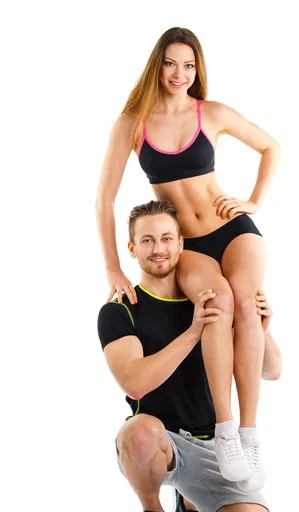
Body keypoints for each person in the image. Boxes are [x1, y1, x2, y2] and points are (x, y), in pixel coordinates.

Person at [96, 26, 281, 486]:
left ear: (198, 69)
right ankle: (223, 431)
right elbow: (104, 199)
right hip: (189, 244)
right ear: (157, 65)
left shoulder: (211, 112)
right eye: (171, 63)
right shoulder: (132, 123)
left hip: (232, 229)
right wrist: (112, 267)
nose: (180, 73)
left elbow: (271, 147)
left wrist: (253, 201)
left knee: (244, 304)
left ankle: (250, 435)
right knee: (215, 303)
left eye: (189, 65)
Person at [97, 201, 282, 512]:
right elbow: (135, 383)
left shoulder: (214, 301)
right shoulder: (119, 311)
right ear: (132, 249)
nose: (159, 248)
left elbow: (272, 371)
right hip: (159, 441)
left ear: (182, 244)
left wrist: (261, 331)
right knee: (139, 431)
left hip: (214, 444)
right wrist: (193, 333)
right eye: (147, 241)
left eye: (167, 238)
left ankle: (189, 499)